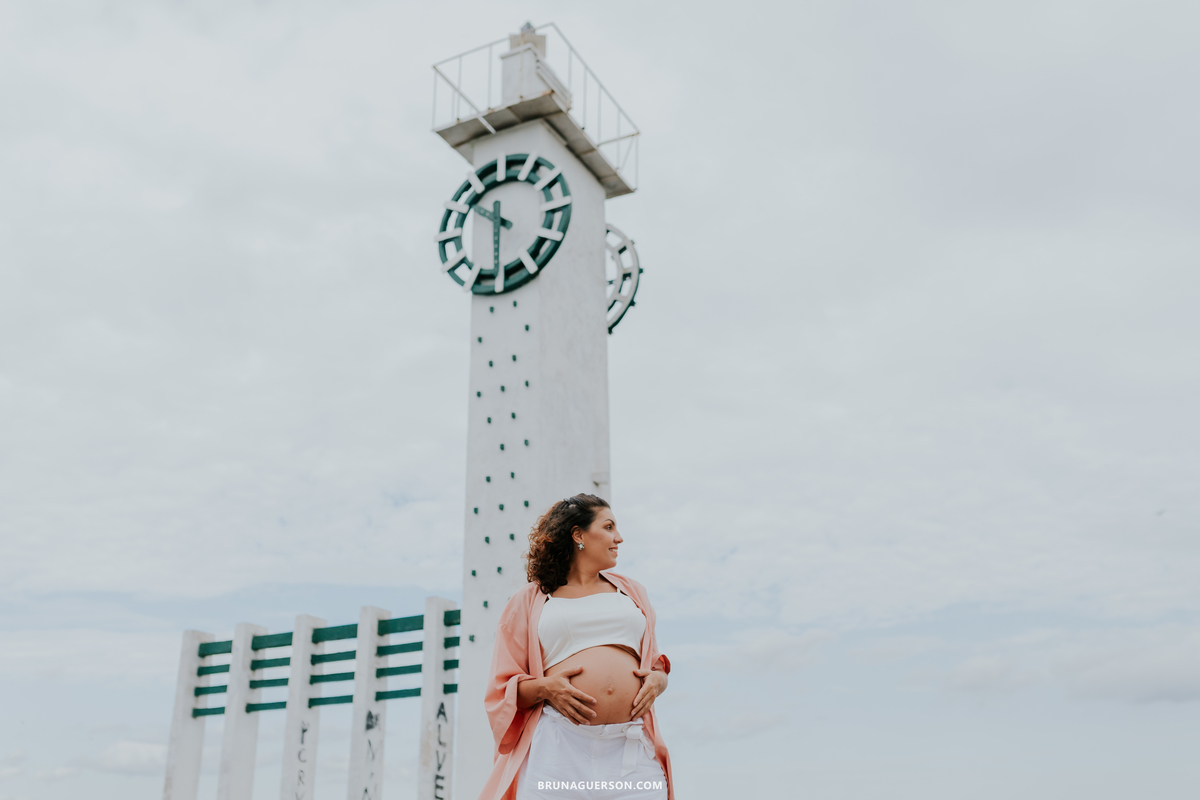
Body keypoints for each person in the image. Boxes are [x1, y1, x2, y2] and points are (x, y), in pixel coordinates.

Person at [478, 494, 674, 800]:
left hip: (630, 748)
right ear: (578, 535)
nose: (618, 538)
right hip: (559, 747)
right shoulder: (530, 600)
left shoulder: (632, 592)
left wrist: (659, 680)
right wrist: (545, 688)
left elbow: (654, 664)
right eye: (608, 527)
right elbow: (503, 688)